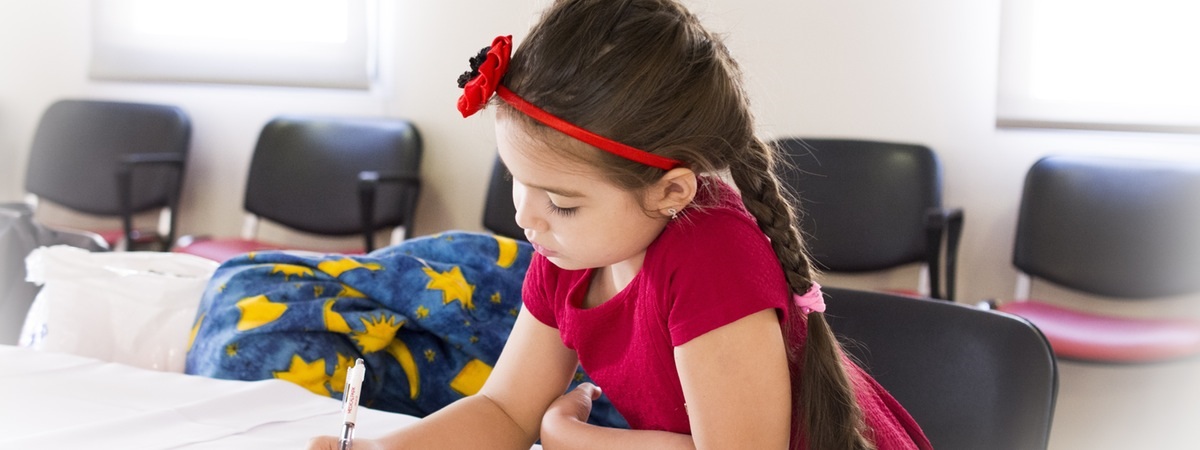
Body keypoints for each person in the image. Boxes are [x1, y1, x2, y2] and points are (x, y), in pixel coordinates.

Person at [310, 0, 930, 448]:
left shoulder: (712, 254)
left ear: (670, 193)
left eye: (562, 201)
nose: (525, 215)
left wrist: (569, 436)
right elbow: (503, 410)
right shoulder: (569, 255)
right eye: (517, 180)